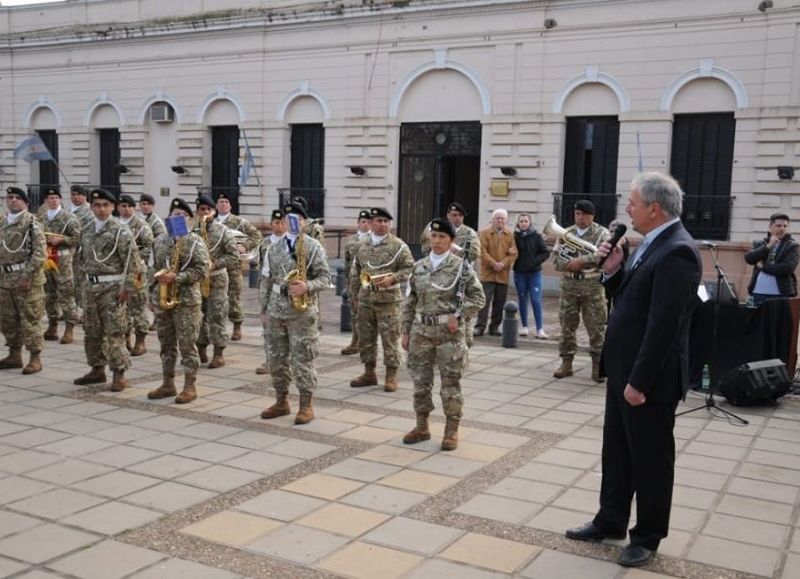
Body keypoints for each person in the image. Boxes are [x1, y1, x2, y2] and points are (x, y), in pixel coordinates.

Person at [565, 172, 701, 568]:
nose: (627, 208)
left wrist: (639, 382)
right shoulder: (648, 244)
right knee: (618, 451)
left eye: (633, 202)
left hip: (649, 380)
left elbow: (664, 326)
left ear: (654, 209)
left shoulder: (678, 251)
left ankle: (647, 536)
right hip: (624, 369)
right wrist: (613, 269)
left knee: (651, 459)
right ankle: (610, 520)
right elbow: (629, 298)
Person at [401, 218, 485, 451]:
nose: (436, 241)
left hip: (449, 335)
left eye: (442, 237)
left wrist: (459, 315)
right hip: (421, 332)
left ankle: (451, 430)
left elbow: (478, 298)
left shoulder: (462, 267)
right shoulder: (419, 267)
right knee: (420, 382)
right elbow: (410, 301)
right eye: (434, 236)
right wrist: (405, 331)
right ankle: (422, 426)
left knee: (450, 384)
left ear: (451, 241)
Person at [260, 203, 331, 424]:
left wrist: (307, 286)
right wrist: (263, 309)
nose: (293, 222)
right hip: (276, 308)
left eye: (298, 219)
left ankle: (306, 405)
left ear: (304, 222)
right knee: (276, 359)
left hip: (302, 312)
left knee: (303, 359)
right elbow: (266, 280)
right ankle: (281, 401)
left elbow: (326, 278)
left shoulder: (313, 246)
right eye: (289, 218)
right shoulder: (273, 247)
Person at [74, 188, 143, 391]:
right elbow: (80, 261)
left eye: (106, 205)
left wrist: (128, 289)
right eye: (97, 205)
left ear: (113, 207)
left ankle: (119, 373)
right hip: (91, 287)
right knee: (92, 331)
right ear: (91, 207)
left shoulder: (120, 231)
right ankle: (97, 369)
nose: (101, 209)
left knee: (114, 332)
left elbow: (134, 265)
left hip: (113, 288)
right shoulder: (86, 229)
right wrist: (80, 288)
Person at [147, 198, 210, 404]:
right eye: (175, 214)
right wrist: (151, 292)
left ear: (190, 219)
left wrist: (178, 277)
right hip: (163, 298)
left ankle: (190, 386)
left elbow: (202, 270)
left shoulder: (195, 241)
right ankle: (168, 383)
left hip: (187, 301)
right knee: (166, 343)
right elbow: (152, 268)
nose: (178, 218)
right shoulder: (161, 240)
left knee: (187, 344)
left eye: (183, 215)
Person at [349, 207, 414, 392]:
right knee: (366, 338)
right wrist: (354, 295)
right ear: (371, 223)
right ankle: (369, 373)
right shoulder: (362, 244)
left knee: (390, 339)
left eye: (386, 221)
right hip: (366, 299)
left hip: (388, 302)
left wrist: (393, 278)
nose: (383, 224)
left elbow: (409, 268)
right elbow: (356, 271)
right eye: (379, 221)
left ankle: (391, 376)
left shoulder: (398, 245)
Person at [551, 200, 609, 382]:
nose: (580, 217)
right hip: (569, 285)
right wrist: (569, 264)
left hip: (592, 286)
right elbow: (556, 259)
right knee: (567, 325)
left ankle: (598, 365)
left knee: (596, 326)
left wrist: (581, 262)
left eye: (584, 214)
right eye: (577, 214)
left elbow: (602, 255)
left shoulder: (602, 233)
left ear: (592, 216)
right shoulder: (566, 233)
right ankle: (566, 362)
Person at [0, 187, 46, 374]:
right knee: (8, 319)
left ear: (26, 203)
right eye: (10, 197)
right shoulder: (2, 222)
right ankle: (14, 354)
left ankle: (35, 358)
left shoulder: (31, 223)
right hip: (5, 279)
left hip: (26, 281)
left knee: (30, 319)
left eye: (17, 198)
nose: (13, 201)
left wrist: (27, 276)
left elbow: (40, 253)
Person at [195, 194, 238, 369]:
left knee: (217, 315)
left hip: (217, 279)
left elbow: (233, 256)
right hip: (198, 280)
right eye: (202, 209)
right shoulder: (193, 231)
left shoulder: (223, 231)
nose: (205, 212)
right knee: (198, 316)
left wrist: (215, 264)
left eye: (208, 210)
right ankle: (201, 346)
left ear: (214, 211)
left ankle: (219, 353)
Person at [215, 192, 261, 341]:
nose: (223, 204)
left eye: (226, 202)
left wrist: (245, 246)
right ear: (216, 205)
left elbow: (256, 235)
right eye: (220, 202)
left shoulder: (239, 222)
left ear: (230, 205)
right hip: (215, 267)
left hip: (233, 267)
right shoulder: (211, 222)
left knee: (233, 297)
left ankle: (237, 326)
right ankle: (217, 326)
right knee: (214, 298)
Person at [40, 187, 81, 345]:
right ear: (45, 201)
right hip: (46, 260)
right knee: (49, 294)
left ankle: (69, 327)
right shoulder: (42, 218)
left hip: (62, 261)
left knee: (66, 293)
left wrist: (63, 239)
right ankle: (52, 325)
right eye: (50, 198)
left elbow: (78, 238)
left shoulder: (69, 218)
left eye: (56, 197)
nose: (53, 200)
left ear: (60, 200)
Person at [117, 195, 155, 356]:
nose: (126, 209)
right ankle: (125, 338)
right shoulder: (114, 224)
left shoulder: (141, 226)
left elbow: (148, 247)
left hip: (137, 271)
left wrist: (131, 255)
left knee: (138, 306)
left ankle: (140, 340)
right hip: (118, 272)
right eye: (123, 206)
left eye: (129, 206)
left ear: (134, 208)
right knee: (121, 308)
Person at [475, 208, 517, 336]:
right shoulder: (484, 233)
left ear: (506, 220)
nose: (500, 220)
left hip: (502, 275)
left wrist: (502, 264)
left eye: (502, 218)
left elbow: (514, 253)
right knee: (484, 302)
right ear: (492, 219)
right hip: (487, 274)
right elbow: (482, 251)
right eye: (497, 218)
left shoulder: (510, 235)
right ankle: (480, 327)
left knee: (499, 303)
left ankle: (494, 327)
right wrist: (494, 264)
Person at [256, 209, 287, 375]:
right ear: (271, 224)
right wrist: (262, 294)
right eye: (276, 222)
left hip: (285, 292)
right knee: (268, 328)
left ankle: (285, 361)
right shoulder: (265, 243)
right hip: (269, 289)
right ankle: (269, 360)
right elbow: (263, 270)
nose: (279, 226)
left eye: (282, 222)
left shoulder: (291, 243)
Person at [745, 212, 798, 305]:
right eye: (778, 225)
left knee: (780, 320)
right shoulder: (760, 243)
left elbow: (787, 268)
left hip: (781, 293)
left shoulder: (792, 246)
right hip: (759, 292)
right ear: (770, 227)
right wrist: (768, 246)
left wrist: (763, 266)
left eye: (785, 226)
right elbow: (749, 259)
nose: (782, 228)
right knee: (759, 320)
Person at [513, 213, 550, 339]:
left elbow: (545, 252)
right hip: (520, 272)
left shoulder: (536, 236)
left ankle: (540, 329)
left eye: (526, 221)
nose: (523, 223)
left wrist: (535, 261)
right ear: (518, 223)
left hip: (534, 273)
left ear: (530, 223)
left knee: (536, 300)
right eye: (521, 221)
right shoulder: (515, 237)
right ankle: (524, 326)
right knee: (522, 299)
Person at [340, 209, 372, 356]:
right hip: (354, 282)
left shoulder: (374, 240)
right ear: (358, 223)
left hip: (368, 282)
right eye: (363, 221)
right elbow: (347, 262)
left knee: (368, 314)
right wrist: (346, 280)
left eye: (368, 222)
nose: (365, 224)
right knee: (354, 312)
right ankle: (355, 340)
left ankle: (366, 343)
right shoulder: (351, 241)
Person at [139, 193, 167, 330]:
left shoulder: (156, 222)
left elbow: (160, 240)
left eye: (147, 204)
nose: (145, 206)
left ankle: (157, 318)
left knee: (153, 290)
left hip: (152, 260)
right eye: (143, 204)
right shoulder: (140, 220)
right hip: (142, 261)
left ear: (152, 206)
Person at [68, 184, 94, 316]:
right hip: (68, 253)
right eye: (73, 194)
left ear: (85, 196)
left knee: (82, 283)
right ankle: (72, 310)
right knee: (70, 283)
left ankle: (85, 311)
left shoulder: (89, 212)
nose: (76, 197)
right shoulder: (67, 211)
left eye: (79, 194)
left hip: (82, 253)